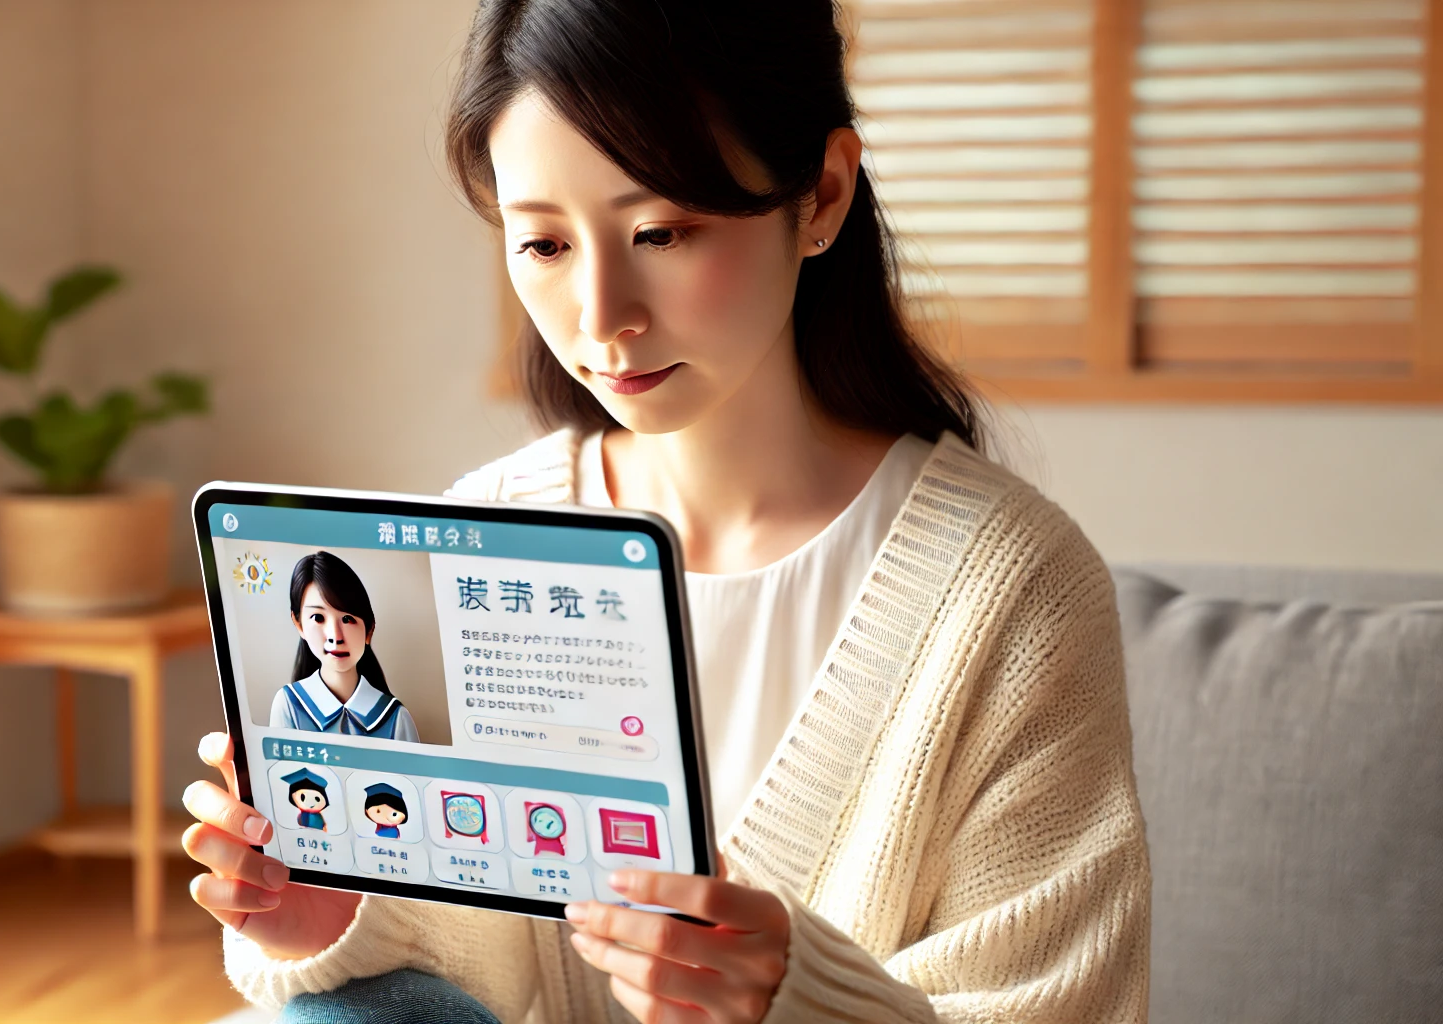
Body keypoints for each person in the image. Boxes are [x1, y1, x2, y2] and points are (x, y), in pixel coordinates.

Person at [181, 2, 1149, 1022]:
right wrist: (333, 913)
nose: (602, 316)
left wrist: (796, 997)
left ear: (820, 195)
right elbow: (458, 973)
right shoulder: (487, 531)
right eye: (545, 245)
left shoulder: (1011, 595)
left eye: (660, 231)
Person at [269, 551, 420, 744]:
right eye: (318, 618)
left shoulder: (396, 717)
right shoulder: (288, 704)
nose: (335, 636)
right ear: (299, 624)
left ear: (369, 630)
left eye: (347, 619)